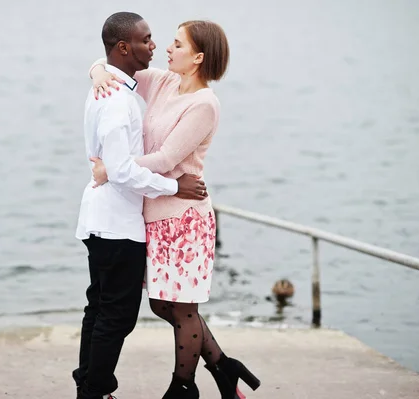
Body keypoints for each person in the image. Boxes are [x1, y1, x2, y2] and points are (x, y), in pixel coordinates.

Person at [88, 20, 261, 399]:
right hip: (154, 213)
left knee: (180, 307)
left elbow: (167, 158)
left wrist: (114, 168)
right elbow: (118, 67)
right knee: (162, 303)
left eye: (177, 44)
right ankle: (222, 367)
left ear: (198, 57)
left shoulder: (205, 104)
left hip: (184, 216)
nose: (167, 48)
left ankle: (182, 387)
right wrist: (97, 71)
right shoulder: (164, 82)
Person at [74, 12, 209, 399]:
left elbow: (116, 169)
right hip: (117, 225)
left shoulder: (117, 88)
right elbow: (122, 172)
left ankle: (89, 384)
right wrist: (175, 186)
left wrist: (98, 68)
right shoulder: (117, 101)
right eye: (147, 39)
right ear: (124, 48)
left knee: (99, 309)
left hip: (102, 220)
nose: (155, 46)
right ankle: (94, 390)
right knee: (116, 318)